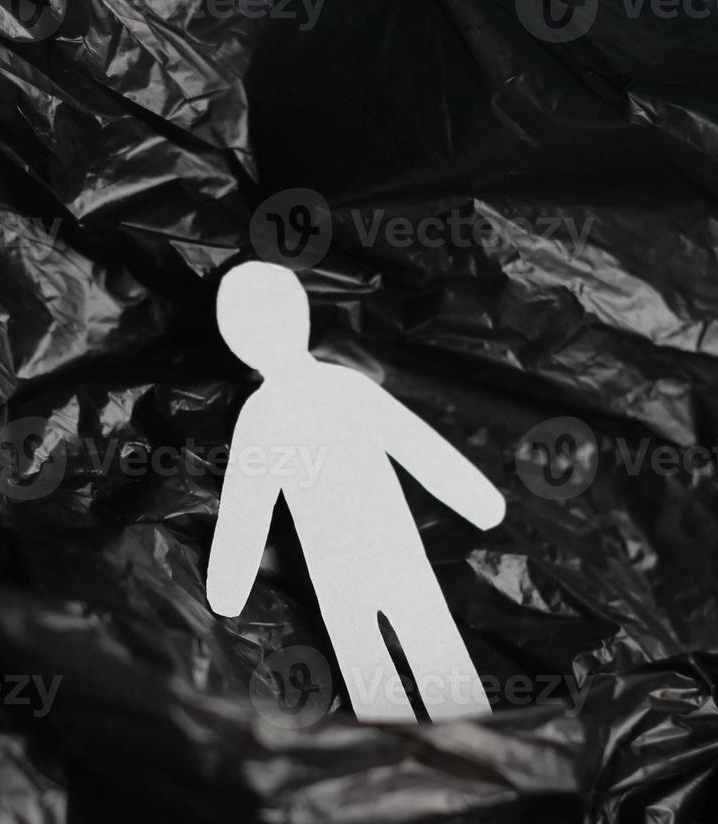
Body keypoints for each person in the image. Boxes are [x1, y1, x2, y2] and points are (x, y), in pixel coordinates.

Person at [207, 261, 505, 723]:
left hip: (348, 566)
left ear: (235, 341)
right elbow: (418, 446)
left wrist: (227, 590)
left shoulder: (264, 414)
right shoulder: (333, 389)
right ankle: (473, 748)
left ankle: (428, 761)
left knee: (378, 665)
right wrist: (480, 503)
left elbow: (247, 508)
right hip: (376, 555)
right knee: (421, 653)